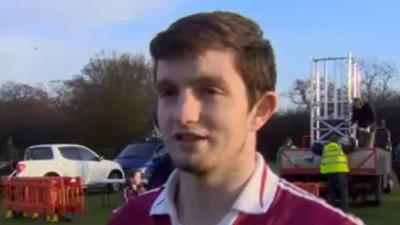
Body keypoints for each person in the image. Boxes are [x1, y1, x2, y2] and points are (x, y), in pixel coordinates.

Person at [109, 11, 363, 225]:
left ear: (261, 110)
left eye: (210, 91)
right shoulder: (128, 219)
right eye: (168, 92)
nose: (183, 114)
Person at [320, 134, 350, 212]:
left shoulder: (325, 148)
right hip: (340, 171)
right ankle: (344, 209)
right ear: (337, 141)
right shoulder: (340, 147)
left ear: (329, 141)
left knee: (332, 191)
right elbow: (350, 148)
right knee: (343, 191)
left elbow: (315, 150)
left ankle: (331, 209)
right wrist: (352, 141)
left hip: (329, 172)